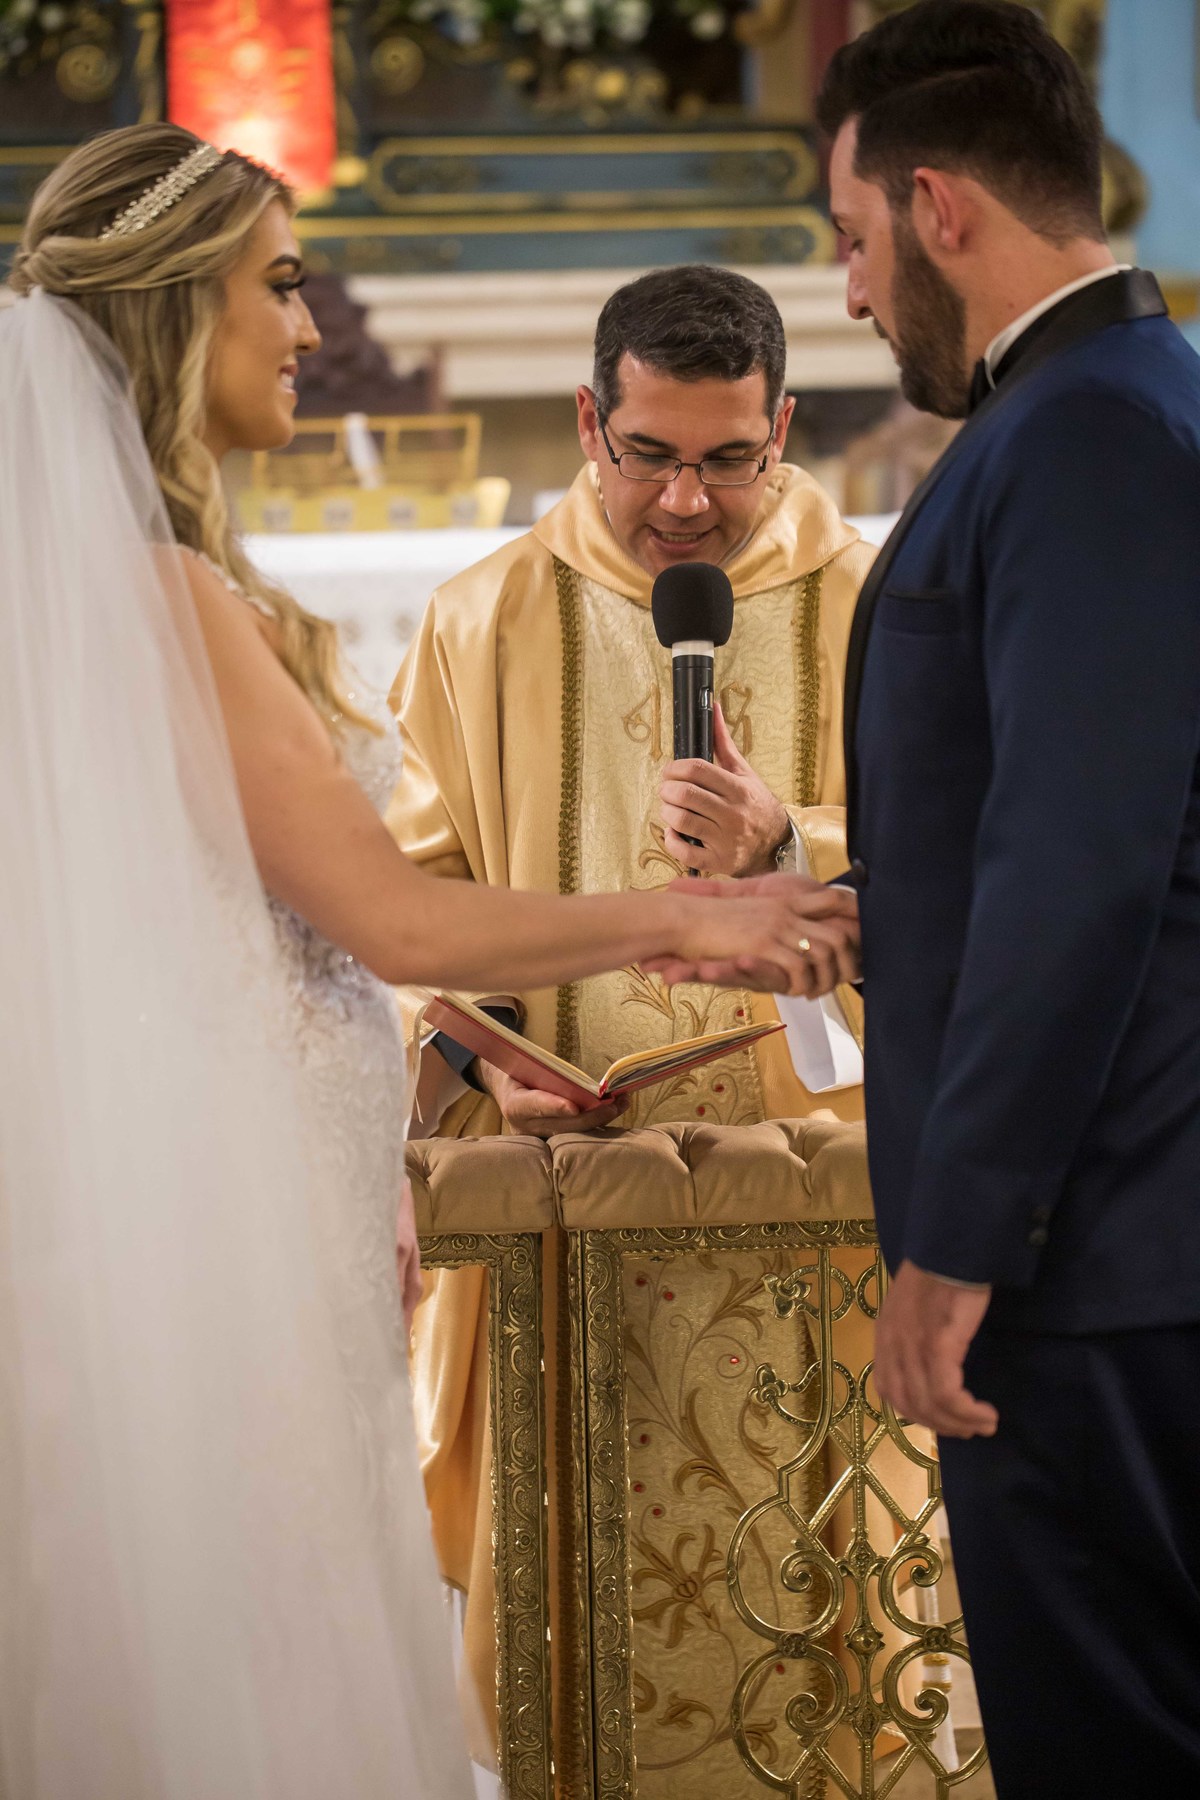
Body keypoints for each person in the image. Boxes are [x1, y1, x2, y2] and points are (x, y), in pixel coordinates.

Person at [0, 124, 857, 1799]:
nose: (309, 326)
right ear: (183, 312)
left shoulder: (135, 588)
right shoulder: (196, 593)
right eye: (281, 283)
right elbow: (390, 920)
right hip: (278, 1234)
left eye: (731, 460)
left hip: (362, 1210)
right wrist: (690, 916)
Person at [668, 2, 1200, 1790]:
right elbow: (1071, 846)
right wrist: (818, 900)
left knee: (1111, 1738)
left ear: (944, 208)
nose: (847, 290)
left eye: (852, 238)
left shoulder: (1088, 440)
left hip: (1099, 1257)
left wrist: (957, 1247)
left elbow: (1086, 873)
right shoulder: (1100, 413)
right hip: (1112, 1235)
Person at [386, 266, 929, 1780]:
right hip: (567, 1215)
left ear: (784, 431)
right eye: (652, 456)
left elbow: (975, 880)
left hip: (821, 1210)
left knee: (828, 1634)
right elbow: (416, 907)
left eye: (729, 459)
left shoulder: (882, 605)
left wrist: (796, 842)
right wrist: (492, 1060)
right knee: (580, 1648)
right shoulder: (480, 616)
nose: (687, 503)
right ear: (589, 423)